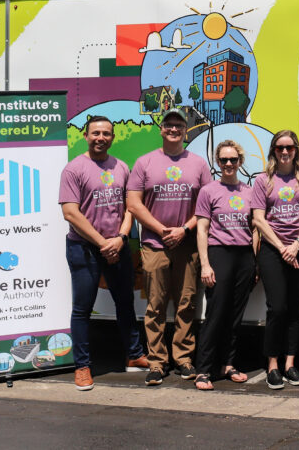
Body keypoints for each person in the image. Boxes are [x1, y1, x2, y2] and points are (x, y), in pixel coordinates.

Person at [59, 115, 149, 391]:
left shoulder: (121, 167)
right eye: (95, 133)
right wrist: (103, 243)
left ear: (113, 137)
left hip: (117, 246)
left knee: (125, 303)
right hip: (84, 248)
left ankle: (134, 355)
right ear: (86, 136)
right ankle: (83, 366)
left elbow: (129, 208)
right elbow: (70, 212)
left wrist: (121, 238)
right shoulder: (73, 169)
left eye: (106, 133)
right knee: (82, 308)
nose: (101, 137)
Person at [126, 108, 211, 386]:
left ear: (186, 131)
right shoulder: (145, 162)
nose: (174, 129)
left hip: (187, 245)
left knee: (186, 304)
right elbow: (134, 203)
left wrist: (184, 229)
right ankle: (157, 362)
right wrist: (161, 229)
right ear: (161, 129)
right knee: (156, 305)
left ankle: (184, 359)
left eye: (179, 125)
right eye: (169, 125)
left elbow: (206, 205)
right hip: (153, 243)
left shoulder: (198, 163)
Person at [251, 129, 299, 390]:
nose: (284, 152)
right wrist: (283, 248)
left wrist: (297, 244)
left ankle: (290, 364)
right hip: (273, 250)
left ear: (296, 151)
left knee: (294, 308)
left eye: (289, 147)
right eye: (279, 147)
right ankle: (272, 366)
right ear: (273, 150)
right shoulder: (262, 181)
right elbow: (258, 218)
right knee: (276, 308)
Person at [193, 140, 257, 391]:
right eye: (223, 160)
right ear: (217, 163)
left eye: (233, 160)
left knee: (235, 315)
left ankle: (228, 364)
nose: (228, 164)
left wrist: (255, 263)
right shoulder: (208, 191)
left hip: (244, 257)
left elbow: (255, 229)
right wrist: (205, 265)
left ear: (240, 162)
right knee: (216, 314)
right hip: (219, 253)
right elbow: (202, 229)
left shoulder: (250, 192)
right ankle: (203, 370)